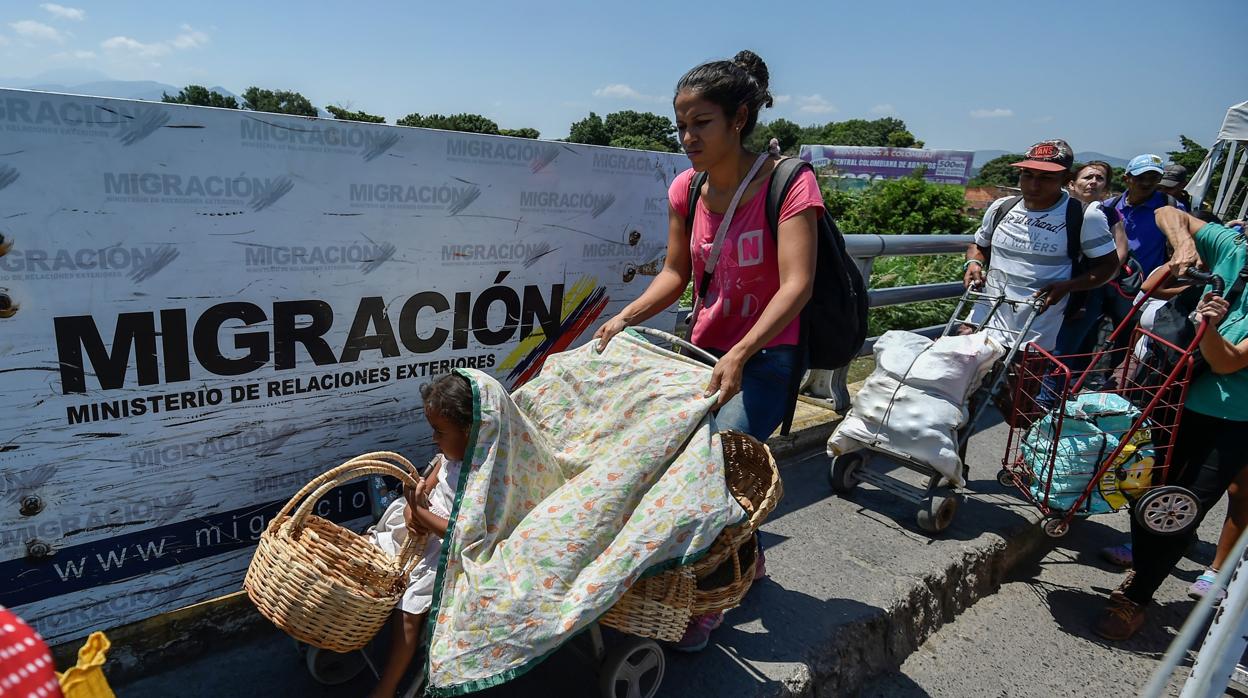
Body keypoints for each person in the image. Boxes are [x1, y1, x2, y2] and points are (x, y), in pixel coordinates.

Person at [593, 49, 822, 652]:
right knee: (676, 464)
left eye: (702, 123)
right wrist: (624, 318)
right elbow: (675, 275)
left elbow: (798, 284)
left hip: (767, 356)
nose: (688, 137)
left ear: (739, 118)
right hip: (702, 355)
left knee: (713, 469)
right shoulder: (686, 189)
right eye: (682, 125)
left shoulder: (788, 182)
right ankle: (743, 558)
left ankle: (708, 595)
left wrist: (744, 350)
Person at [1094, 208, 1248, 640]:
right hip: (1176, 399)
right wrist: (1184, 243)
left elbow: (1226, 361)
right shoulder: (1233, 248)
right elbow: (1167, 211)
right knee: (1145, 488)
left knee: (1179, 507)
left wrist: (1211, 326)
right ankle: (1148, 567)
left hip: (1235, 418)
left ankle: (1136, 596)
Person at [368, 372, 473, 698]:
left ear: (468, 432)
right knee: (373, 554)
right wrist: (415, 497)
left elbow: (463, 531)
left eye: (439, 432)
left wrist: (422, 515)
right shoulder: (448, 457)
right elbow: (427, 482)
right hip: (419, 529)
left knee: (409, 611)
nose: (433, 439)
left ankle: (386, 689)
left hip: (445, 549)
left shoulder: (482, 471)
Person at [963, 141, 1120, 352]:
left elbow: (1108, 267)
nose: (1033, 185)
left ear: (1066, 179)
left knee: (1016, 382)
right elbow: (979, 245)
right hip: (986, 315)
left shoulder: (1085, 216)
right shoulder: (1001, 207)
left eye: (1046, 178)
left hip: (1037, 326)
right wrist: (973, 263)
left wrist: (1069, 286)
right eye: (1028, 175)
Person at [1055, 161, 1131, 357]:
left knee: (1064, 350)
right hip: (1052, 281)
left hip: (1087, 291)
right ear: (1071, 184)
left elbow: (1120, 253)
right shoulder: (1056, 211)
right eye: (1088, 177)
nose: (1093, 182)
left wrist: (1096, 275)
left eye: (1099, 179)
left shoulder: (1108, 214)